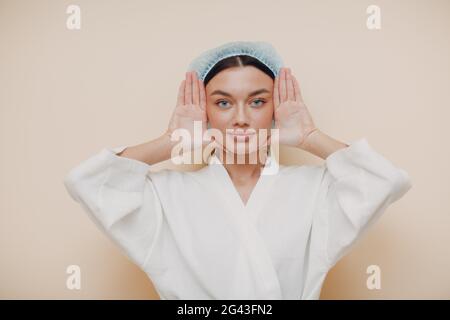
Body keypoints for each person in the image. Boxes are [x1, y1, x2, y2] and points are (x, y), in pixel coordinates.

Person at [63, 41, 412, 299]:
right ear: (205, 111)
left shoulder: (314, 188)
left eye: (258, 101)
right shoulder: (166, 195)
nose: (241, 118)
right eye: (223, 103)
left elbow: (386, 181)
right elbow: (86, 182)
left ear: (275, 110)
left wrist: (309, 137)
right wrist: (173, 140)